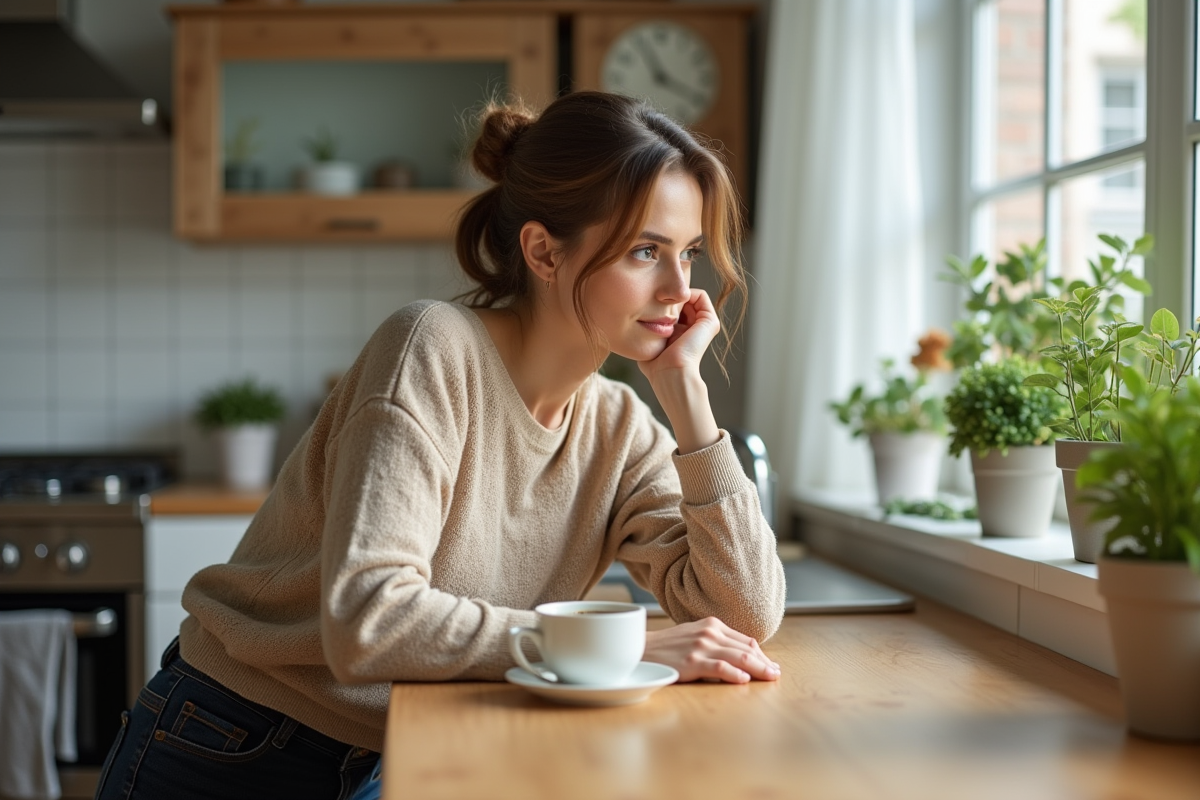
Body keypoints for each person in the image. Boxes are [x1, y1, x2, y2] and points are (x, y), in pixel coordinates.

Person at [94, 91, 786, 800]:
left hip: (396, 748)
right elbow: (369, 619)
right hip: (234, 744)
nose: (680, 289)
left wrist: (688, 397)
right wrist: (621, 645)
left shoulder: (620, 426)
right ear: (545, 251)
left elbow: (744, 615)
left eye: (690, 254)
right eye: (646, 251)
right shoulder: (431, 348)